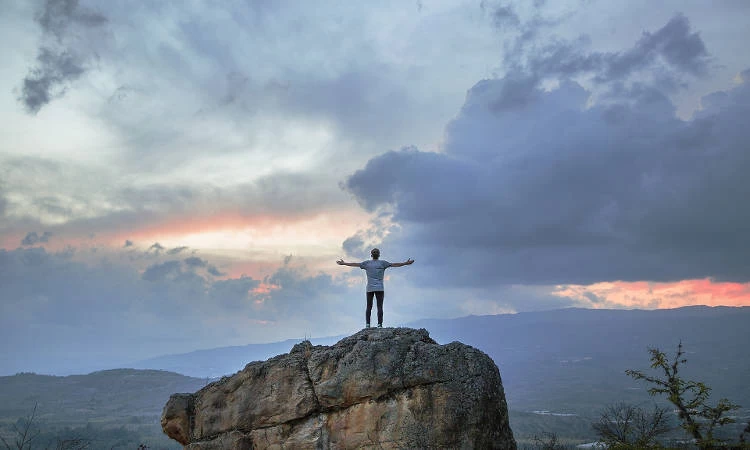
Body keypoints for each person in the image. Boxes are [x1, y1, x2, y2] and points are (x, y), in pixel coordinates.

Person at [337, 248, 414, 328]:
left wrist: (344, 263)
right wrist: (405, 263)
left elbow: (355, 264)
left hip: (370, 289)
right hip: (380, 288)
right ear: (379, 254)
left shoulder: (367, 263)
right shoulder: (383, 263)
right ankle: (379, 325)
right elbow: (395, 264)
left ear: (371, 255)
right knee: (379, 307)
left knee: (369, 307)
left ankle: (367, 325)